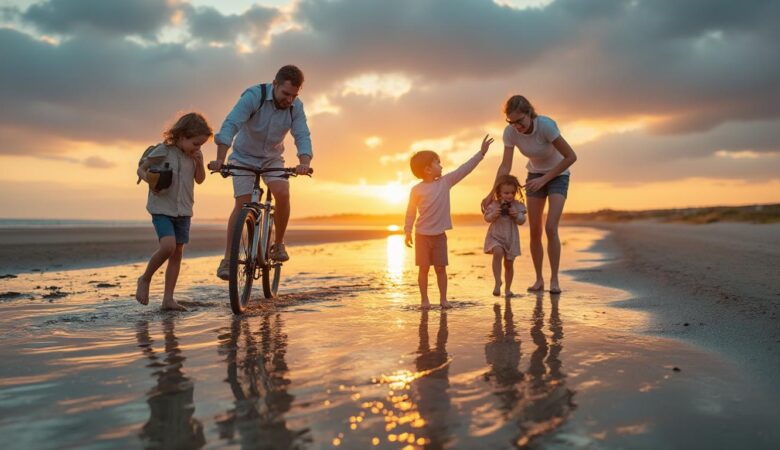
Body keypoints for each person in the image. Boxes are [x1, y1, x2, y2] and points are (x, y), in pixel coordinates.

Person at [208, 65, 313, 280]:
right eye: (286, 94)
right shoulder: (253, 96)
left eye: (294, 95)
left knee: (282, 193)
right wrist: (220, 160)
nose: (289, 100)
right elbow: (230, 124)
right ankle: (228, 259)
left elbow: (302, 135)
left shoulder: (296, 107)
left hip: (272, 158)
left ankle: (278, 244)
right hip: (243, 156)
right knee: (243, 203)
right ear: (274, 84)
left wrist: (304, 162)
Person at [484, 95, 577, 294]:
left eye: (520, 121)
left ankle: (554, 280)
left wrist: (544, 179)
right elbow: (505, 166)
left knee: (551, 227)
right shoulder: (510, 133)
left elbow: (571, 156)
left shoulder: (545, 126)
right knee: (535, 230)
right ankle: (539, 280)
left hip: (558, 175)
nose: (516, 126)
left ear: (529, 113)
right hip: (534, 175)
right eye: (512, 122)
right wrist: (492, 192)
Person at [405, 135, 494, 309]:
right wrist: (407, 231)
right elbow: (410, 212)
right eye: (437, 162)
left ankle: (443, 299)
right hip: (422, 235)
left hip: (439, 236)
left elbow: (464, 169)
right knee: (423, 269)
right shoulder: (416, 190)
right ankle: (424, 300)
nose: (442, 165)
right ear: (427, 169)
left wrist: (481, 153)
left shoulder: (445, 182)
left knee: (440, 268)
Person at [135, 112, 211, 311]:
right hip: (162, 208)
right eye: (195, 143)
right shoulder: (163, 151)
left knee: (177, 254)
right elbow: (141, 169)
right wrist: (150, 181)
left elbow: (200, 179)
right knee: (167, 247)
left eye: (201, 145)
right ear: (181, 136)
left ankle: (168, 299)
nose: (198, 148)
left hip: (184, 210)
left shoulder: (194, 156)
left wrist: (200, 162)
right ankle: (145, 278)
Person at [483, 174, 527, 297]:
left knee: (509, 264)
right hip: (496, 236)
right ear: (499, 192)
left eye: (512, 193)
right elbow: (487, 218)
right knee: (497, 252)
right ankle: (498, 282)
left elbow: (522, 221)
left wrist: (516, 215)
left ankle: (508, 289)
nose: (510, 196)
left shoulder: (517, 205)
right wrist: (493, 215)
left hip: (511, 238)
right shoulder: (494, 204)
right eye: (506, 193)